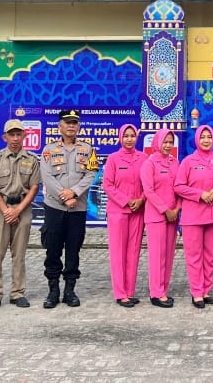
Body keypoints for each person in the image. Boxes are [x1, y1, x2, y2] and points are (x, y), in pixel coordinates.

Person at [39, 109, 98, 309]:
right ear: (60, 126)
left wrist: (74, 192)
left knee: (73, 249)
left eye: (74, 123)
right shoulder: (49, 150)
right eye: (67, 122)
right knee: (53, 249)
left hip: (77, 208)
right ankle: (53, 290)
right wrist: (64, 197)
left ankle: (70, 290)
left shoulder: (88, 149)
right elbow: (46, 176)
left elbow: (91, 174)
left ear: (78, 126)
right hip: (55, 207)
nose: (71, 126)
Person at [0, 119, 41, 311]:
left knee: (19, 254)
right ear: (4, 137)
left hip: (22, 209)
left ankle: (18, 292)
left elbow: (34, 187)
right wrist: (7, 211)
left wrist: (18, 210)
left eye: (18, 134)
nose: (15, 138)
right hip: (0, 210)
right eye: (11, 135)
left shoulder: (32, 159)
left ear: (24, 136)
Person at [174, 125, 213, 308]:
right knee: (194, 256)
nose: (206, 140)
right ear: (197, 139)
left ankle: (206, 290)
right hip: (193, 216)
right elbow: (179, 186)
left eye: (209, 137)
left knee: (209, 255)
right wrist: (200, 194)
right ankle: (196, 292)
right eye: (202, 137)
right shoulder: (188, 161)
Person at [102, 123, 147, 308]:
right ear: (121, 137)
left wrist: (141, 199)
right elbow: (108, 185)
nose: (129, 139)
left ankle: (130, 291)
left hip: (138, 211)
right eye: (126, 136)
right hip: (118, 211)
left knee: (133, 252)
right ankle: (120, 293)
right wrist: (127, 200)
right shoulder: (113, 159)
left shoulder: (144, 158)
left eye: (132, 136)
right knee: (118, 252)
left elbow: (149, 184)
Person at [141, 128, 181, 308]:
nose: (168, 145)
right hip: (156, 215)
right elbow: (148, 191)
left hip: (173, 215)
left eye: (170, 142)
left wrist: (177, 208)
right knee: (157, 255)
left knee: (169, 254)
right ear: (157, 142)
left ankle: (164, 288)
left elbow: (180, 186)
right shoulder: (149, 163)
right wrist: (165, 210)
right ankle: (156, 293)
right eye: (165, 141)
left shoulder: (175, 162)